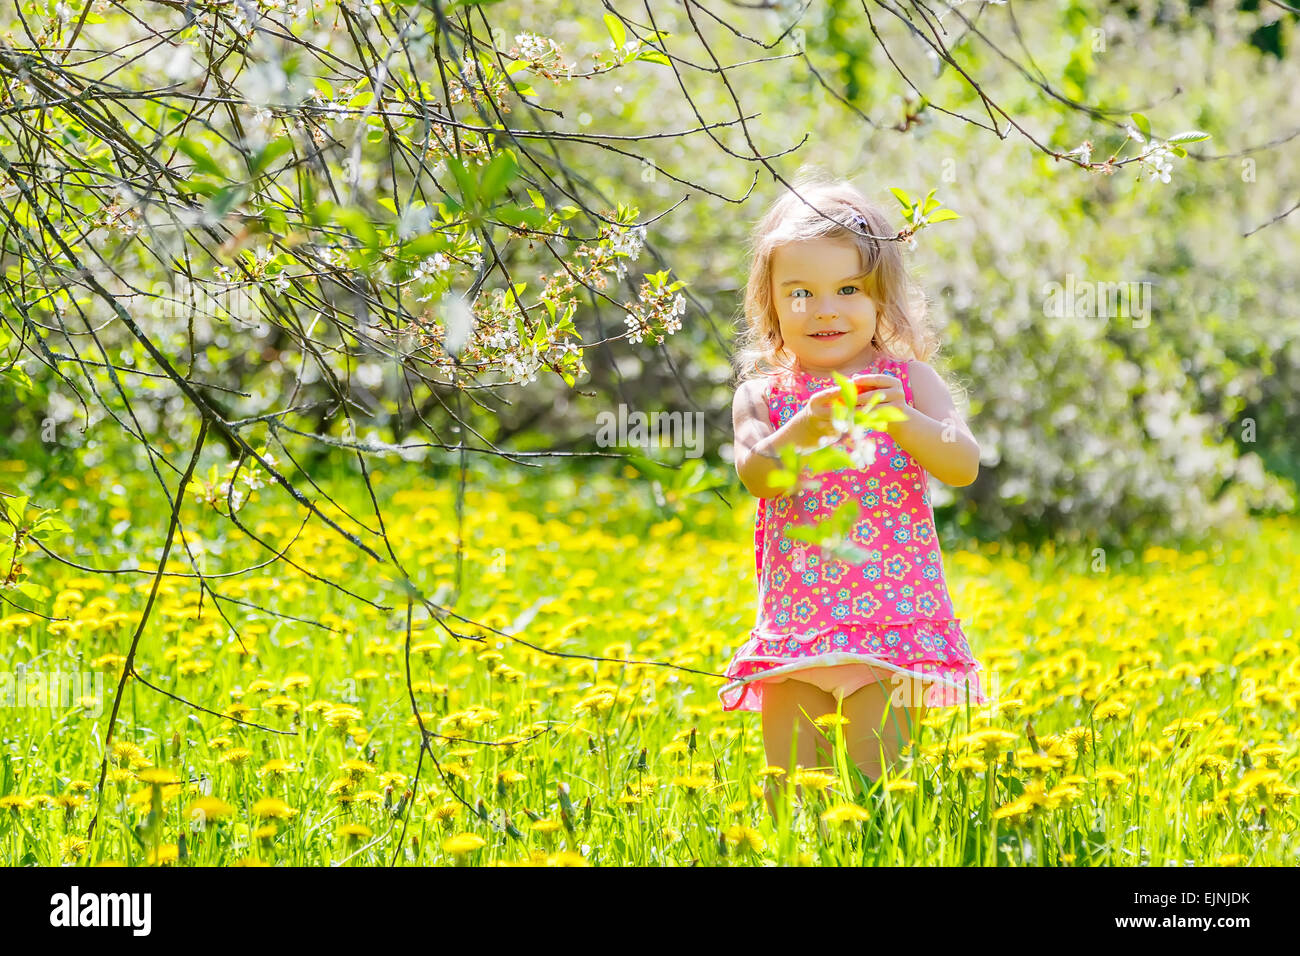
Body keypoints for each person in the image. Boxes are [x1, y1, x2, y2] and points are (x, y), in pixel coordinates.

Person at [721, 174, 992, 820]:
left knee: (880, 793)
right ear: (773, 304)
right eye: (801, 294)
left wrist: (905, 421)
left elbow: (962, 463)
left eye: (848, 290)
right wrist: (806, 429)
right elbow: (759, 475)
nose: (826, 309)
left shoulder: (906, 382)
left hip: (890, 626)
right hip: (798, 628)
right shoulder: (764, 398)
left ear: (881, 301)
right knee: (790, 793)